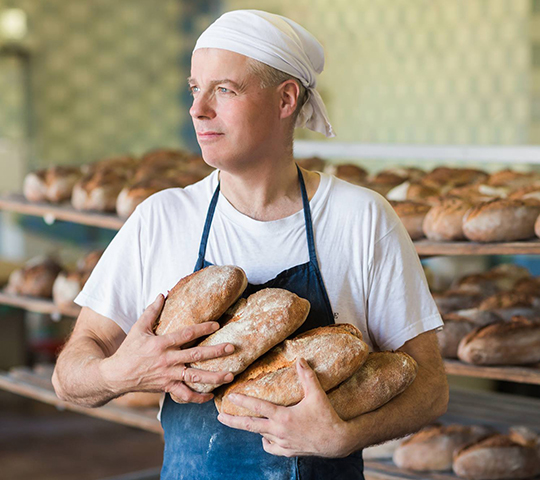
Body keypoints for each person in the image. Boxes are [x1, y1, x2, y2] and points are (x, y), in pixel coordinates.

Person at [52, 9, 447, 479]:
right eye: (195, 88)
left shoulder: (360, 219)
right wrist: (123, 372)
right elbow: (69, 376)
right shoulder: (161, 218)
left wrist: (346, 436)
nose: (198, 109)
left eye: (224, 89)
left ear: (285, 100)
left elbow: (431, 386)